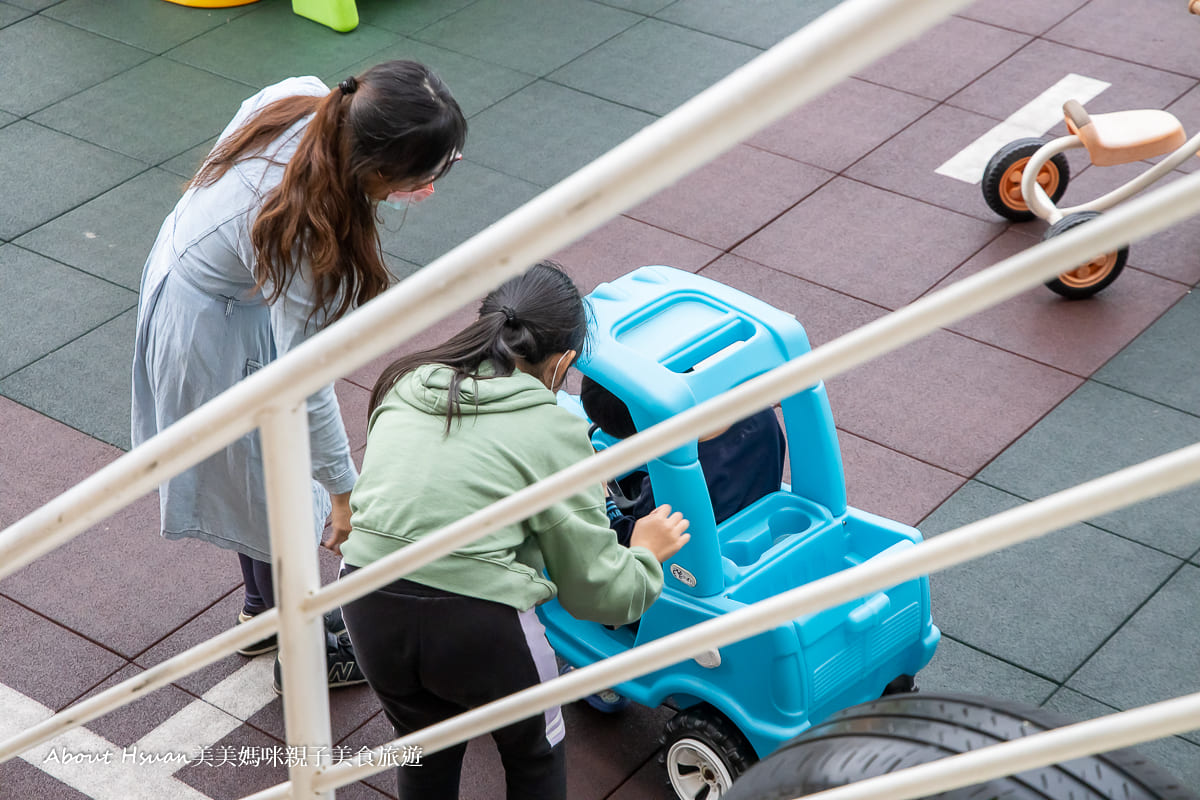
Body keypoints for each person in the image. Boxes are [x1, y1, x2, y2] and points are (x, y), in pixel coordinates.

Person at [130, 61, 467, 687]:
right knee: (277, 486)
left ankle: (265, 614)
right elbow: (306, 382)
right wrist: (344, 491)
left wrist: (387, 183)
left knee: (259, 481)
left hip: (205, 281)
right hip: (211, 325)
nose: (437, 179)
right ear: (380, 169)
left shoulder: (306, 97)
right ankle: (299, 649)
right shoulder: (305, 234)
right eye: (433, 168)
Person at [339, 261, 690, 800]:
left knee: (422, 741)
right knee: (534, 756)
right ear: (564, 362)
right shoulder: (555, 431)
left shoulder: (405, 382)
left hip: (364, 595)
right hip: (477, 621)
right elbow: (599, 593)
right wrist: (645, 554)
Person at [580, 375, 787, 544]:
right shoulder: (762, 414)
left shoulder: (668, 487)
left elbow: (636, 540)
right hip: (762, 522)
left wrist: (603, 495)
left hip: (703, 564)